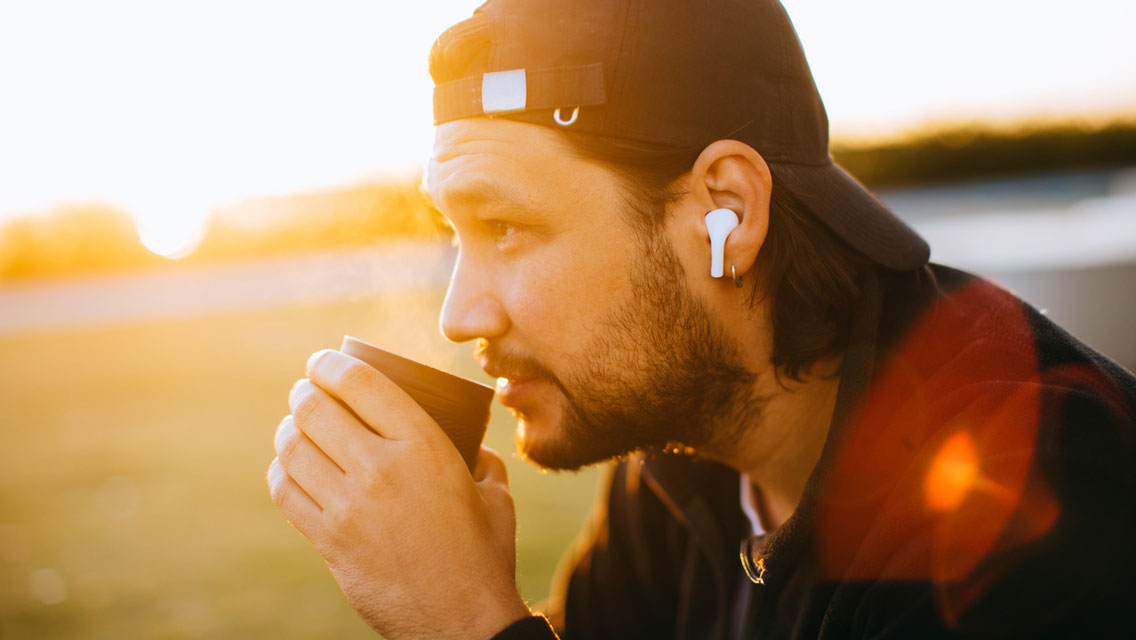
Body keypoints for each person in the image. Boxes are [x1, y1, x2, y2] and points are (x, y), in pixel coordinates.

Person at [267, 0, 1136, 638]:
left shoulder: (1027, 505)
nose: (461, 313)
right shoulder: (680, 462)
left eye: (506, 227)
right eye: (456, 236)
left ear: (726, 210)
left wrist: (462, 622)